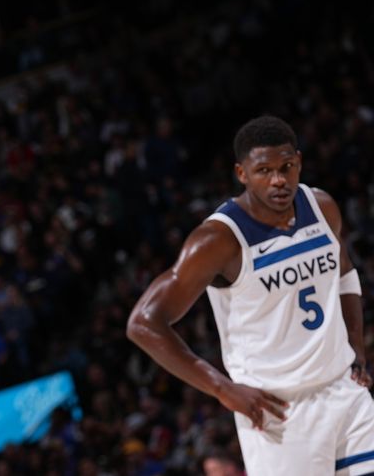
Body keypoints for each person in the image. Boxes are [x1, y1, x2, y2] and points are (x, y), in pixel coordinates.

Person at [127, 116, 374, 475]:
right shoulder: (217, 240)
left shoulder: (321, 206)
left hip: (344, 392)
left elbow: (345, 270)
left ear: (299, 162)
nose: (279, 180)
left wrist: (357, 345)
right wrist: (221, 389)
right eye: (264, 170)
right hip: (280, 412)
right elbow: (143, 323)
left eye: (287, 167)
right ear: (242, 173)